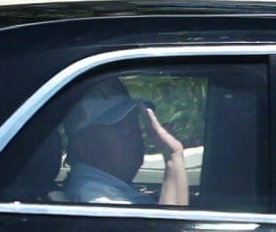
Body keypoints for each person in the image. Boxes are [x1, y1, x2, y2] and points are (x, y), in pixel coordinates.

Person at [63, 78, 188, 206]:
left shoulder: (108, 187)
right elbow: (168, 226)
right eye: (117, 126)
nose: (133, 133)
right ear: (83, 146)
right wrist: (172, 156)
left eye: (133, 121)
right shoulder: (95, 197)